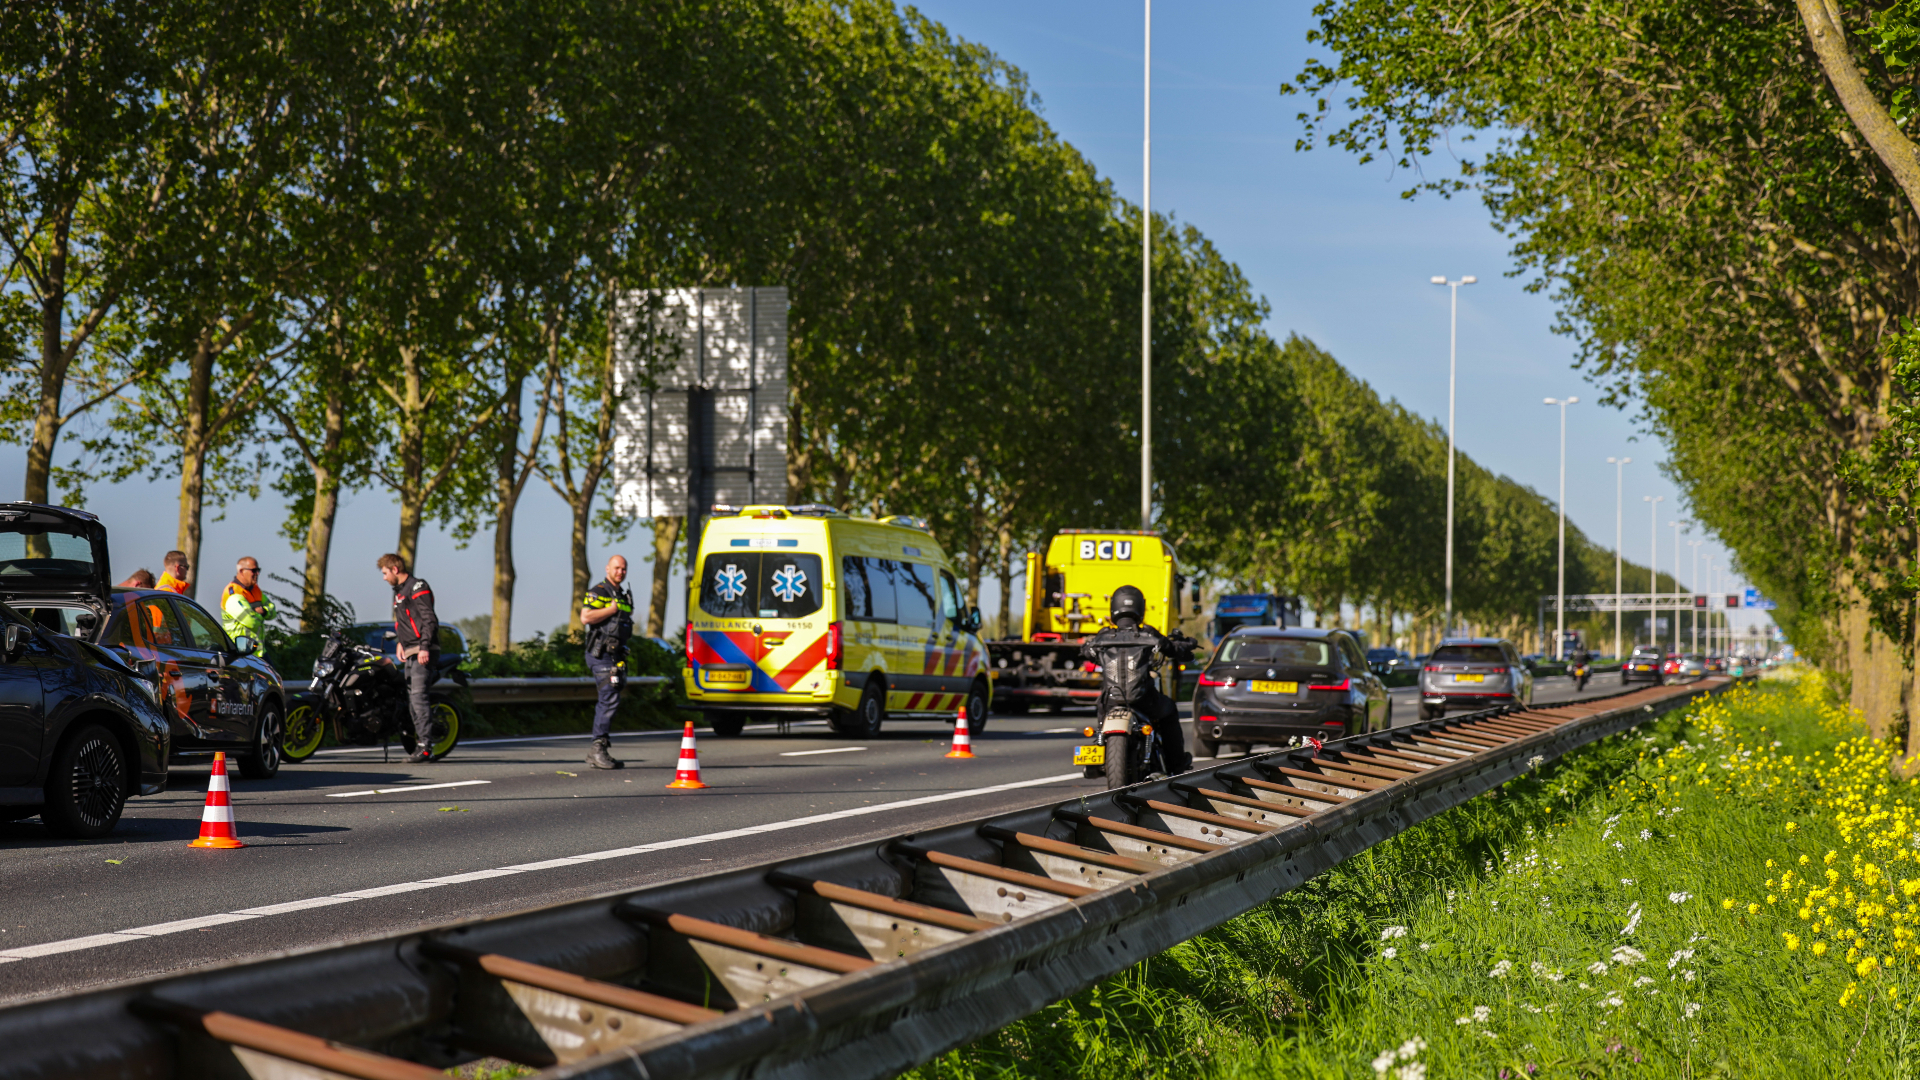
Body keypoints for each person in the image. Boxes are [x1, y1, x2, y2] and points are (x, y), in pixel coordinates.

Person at [1078, 585, 1196, 774]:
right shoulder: (1149, 634)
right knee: (1170, 710)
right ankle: (1177, 764)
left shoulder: (1103, 636)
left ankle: (1099, 752)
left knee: (1100, 708)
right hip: (1144, 700)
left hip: (1111, 700)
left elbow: (1086, 650)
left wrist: (1088, 650)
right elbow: (1174, 649)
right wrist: (1187, 645)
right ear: (1140, 609)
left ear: (1113, 609)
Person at [378, 553, 440, 763]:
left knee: (418, 698)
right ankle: (420, 745)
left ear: (395, 569)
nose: (384, 578)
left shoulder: (416, 586)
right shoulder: (399, 592)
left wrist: (424, 647)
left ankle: (425, 748)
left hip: (423, 650)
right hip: (410, 649)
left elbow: (429, 619)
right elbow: (404, 622)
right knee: (412, 700)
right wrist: (400, 643)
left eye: (385, 573)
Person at [580, 555, 634, 770]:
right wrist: (610, 610)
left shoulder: (621, 593)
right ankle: (597, 749)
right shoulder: (600, 591)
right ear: (607, 569)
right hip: (600, 653)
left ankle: (599, 749)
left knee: (613, 697)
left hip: (615, 655)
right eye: (617, 568)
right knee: (609, 698)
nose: (620, 572)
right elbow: (586, 617)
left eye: (623, 569)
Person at [219, 557, 276, 643]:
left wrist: (264, 611)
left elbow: (273, 611)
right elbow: (251, 621)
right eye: (254, 570)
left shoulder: (256, 590)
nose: (257, 573)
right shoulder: (233, 593)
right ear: (241, 571)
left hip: (257, 650)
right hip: (238, 649)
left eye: (258, 570)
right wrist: (261, 614)